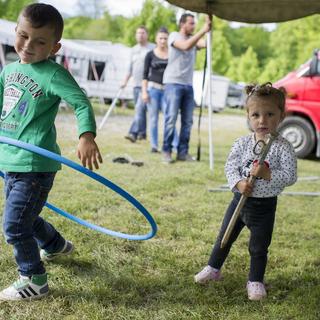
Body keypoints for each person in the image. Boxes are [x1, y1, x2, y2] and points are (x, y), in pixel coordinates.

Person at [0, 3, 102, 301]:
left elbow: (81, 103)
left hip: (34, 166)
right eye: (23, 36)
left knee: (15, 225)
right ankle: (55, 245)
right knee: (26, 217)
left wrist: (86, 135)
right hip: (11, 161)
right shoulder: (9, 70)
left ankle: (34, 279)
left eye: (40, 41)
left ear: (54, 47)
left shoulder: (54, 74)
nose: (28, 45)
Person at [194, 83, 297, 301]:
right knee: (225, 236)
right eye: (256, 115)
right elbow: (230, 167)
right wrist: (239, 183)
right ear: (248, 116)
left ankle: (255, 280)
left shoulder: (283, 147)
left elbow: (290, 176)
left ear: (281, 116)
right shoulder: (241, 143)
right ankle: (213, 268)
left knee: (259, 246)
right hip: (239, 202)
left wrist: (268, 175)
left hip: (264, 207)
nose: (262, 120)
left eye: (270, 114)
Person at [162, 13, 211, 163]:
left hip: (188, 85)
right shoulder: (174, 36)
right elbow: (185, 46)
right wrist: (203, 30)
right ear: (182, 24)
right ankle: (167, 151)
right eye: (191, 23)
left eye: (194, 23)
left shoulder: (194, 39)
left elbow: (206, 44)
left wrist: (209, 25)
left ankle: (183, 153)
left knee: (187, 121)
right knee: (171, 119)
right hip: (173, 83)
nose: (193, 26)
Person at [141, 27, 178, 153]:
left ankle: (174, 144)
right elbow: (145, 75)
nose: (163, 41)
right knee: (153, 118)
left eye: (165, 38)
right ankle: (154, 145)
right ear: (156, 39)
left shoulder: (172, 53)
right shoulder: (150, 54)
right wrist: (144, 92)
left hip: (168, 90)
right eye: (160, 38)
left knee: (170, 117)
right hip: (153, 90)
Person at [121, 26, 155, 143]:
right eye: (138, 33)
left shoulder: (152, 48)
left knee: (139, 109)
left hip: (147, 84)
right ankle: (142, 133)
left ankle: (133, 133)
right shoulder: (133, 50)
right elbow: (130, 69)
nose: (140, 35)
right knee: (140, 110)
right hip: (135, 84)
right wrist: (124, 82)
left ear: (147, 35)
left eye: (142, 33)